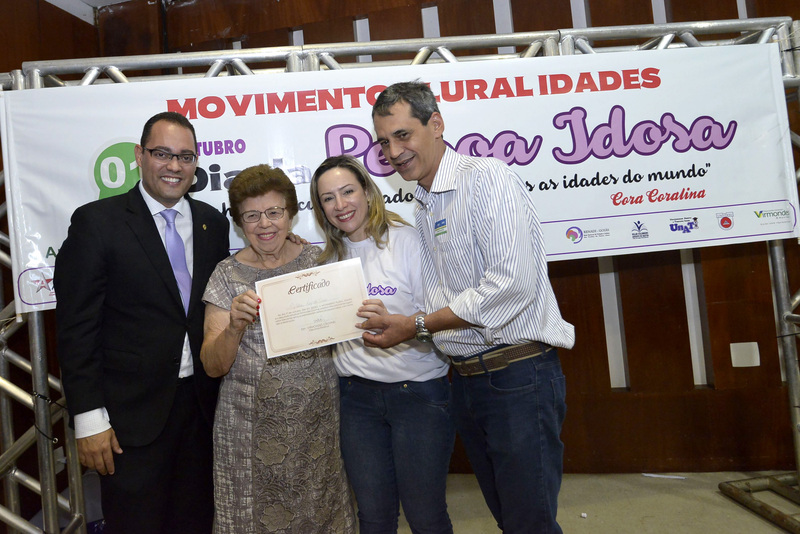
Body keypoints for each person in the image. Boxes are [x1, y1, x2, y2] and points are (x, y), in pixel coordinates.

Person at [362, 82, 576, 534]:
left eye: (403, 135)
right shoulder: (424, 202)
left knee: (530, 523)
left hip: (517, 375)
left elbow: (510, 284)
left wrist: (416, 325)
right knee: (510, 519)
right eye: (384, 142)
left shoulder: (486, 179)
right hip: (469, 381)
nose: (393, 152)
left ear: (436, 124)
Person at [54, 111, 230, 533]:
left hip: (201, 414)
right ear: (139, 156)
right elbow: (77, 329)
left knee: (195, 524)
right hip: (128, 422)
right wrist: (89, 419)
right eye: (162, 153)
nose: (174, 166)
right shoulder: (97, 223)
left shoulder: (212, 223)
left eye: (185, 157)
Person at [200, 164, 356, 533]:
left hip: (318, 426)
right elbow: (212, 365)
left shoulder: (319, 261)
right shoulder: (225, 275)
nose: (265, 224)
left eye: (274, 212)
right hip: (249, 432)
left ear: (291, 214)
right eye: (252, 216)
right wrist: (234, 327)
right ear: (239, 222)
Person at [310, 155, 455, 534]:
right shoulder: (325, 260)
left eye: (347, 192)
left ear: (368, 192)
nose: (340, 205)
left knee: (425, 515)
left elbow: (440, 316)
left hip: (418, 395)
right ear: (320, 209)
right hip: (356, 399)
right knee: (373, 516)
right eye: (328, 198)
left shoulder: (407, 241)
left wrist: (398, 322)